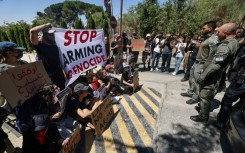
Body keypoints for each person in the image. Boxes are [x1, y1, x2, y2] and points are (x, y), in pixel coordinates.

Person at [190, 23, 238, 123]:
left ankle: (203, 117)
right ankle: (203, 111)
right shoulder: (232, 42)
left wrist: (203, 76)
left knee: (204, 95)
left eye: (219, 32)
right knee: (206, 95)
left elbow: (216, 64)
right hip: (214, 74)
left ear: (225, 33)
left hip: (212, 76)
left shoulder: (225, 46)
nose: (217, 34)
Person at [180, 21, 218, 105]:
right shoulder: (206, 38)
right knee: (191, 78)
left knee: (197, 81)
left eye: (204, 28)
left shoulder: (213, 39)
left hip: (202, 63)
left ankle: (195, 97)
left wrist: (206, 67)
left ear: (210, 28)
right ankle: (190, 92)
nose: (202, 30)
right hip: (197, 61)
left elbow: (213, 54)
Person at [215, 30, 245, 130]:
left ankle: (221, 122)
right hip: (238, 76)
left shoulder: (230, 43)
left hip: (241, 80)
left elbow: (219, 59)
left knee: (227, 100)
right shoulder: (237, 42)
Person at [30, 23, 66, 90]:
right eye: (50, 34)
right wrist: (46, 25)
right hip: (49, 79)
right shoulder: (40, 46)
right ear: (44, 35)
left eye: (53, 34)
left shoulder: (55, 46)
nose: (53, 36)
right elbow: (33, 31)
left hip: (60, 76)